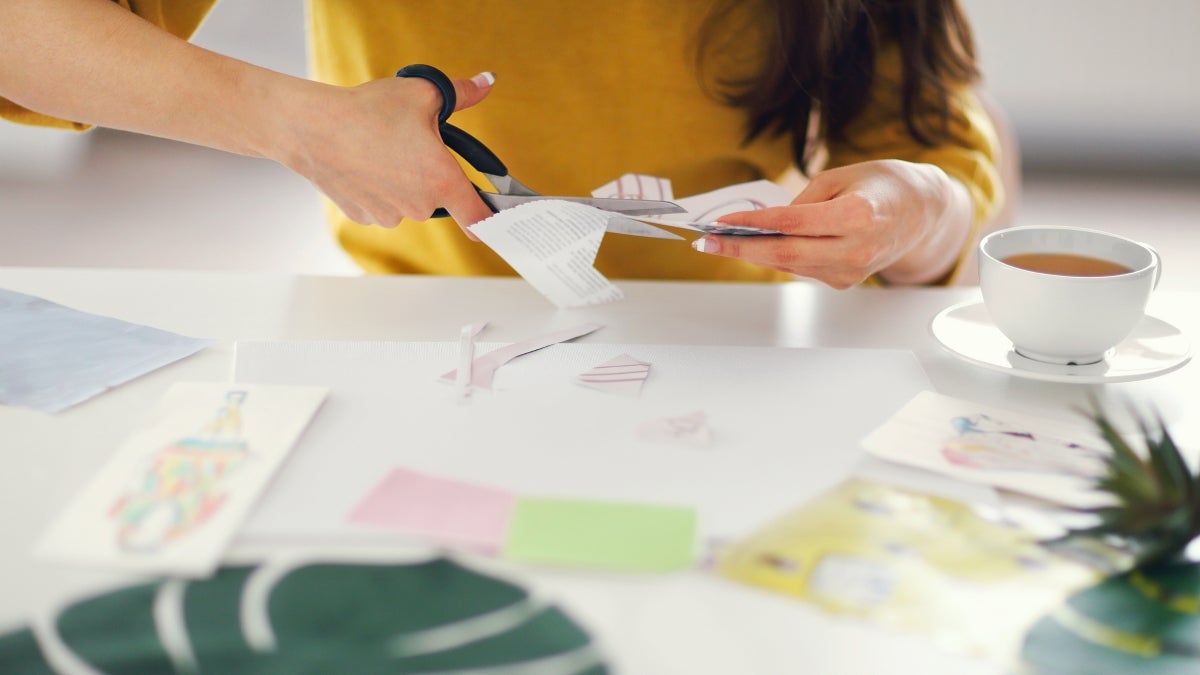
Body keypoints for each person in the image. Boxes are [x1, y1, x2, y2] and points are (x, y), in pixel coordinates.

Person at [0, 0, 1003, 289]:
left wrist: (910, 211)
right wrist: (298, 122)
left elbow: (941, 162)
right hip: (416, 323)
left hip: (729, 345)